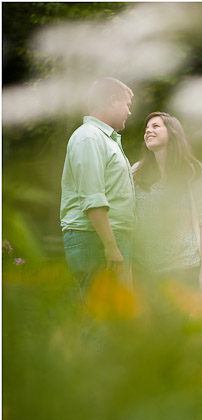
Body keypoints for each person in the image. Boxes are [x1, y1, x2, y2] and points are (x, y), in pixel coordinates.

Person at [59, 77, 135, 300]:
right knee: (101, 322)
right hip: (96, 240)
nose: (129, 112)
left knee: (115, 323)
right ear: (113, 101)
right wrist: (111, 246)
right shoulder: (89, 137)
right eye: (127, 105)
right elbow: (93, 197)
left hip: (107, 238)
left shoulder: (105, 139)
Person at [131, 111, 202, 300]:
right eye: (146, 128)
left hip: (184, 269)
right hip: (143, 271)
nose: (148, 131)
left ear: (173, 133)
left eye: (155, 126)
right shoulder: (136, 172)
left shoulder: (192, 170)